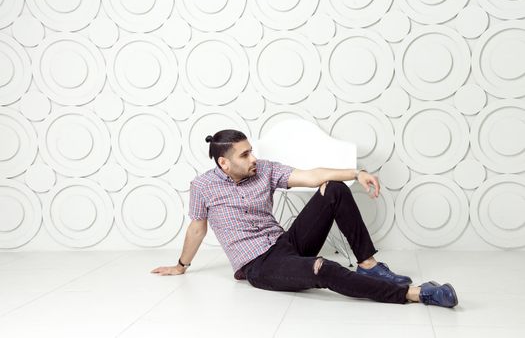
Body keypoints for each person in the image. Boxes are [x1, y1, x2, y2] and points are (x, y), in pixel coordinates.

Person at [151, 129, 458, 308]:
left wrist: (356, 173)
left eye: (251, 151)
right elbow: (197, 228)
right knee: (323, 268)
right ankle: (415, 294)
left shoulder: (265, 170)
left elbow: (313, 176)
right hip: (259, 265)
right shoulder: (202, 186)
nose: (253, 158)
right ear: (224, 163)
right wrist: (181, 266)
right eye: (244, 155)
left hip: (286, 243)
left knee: (333, 189)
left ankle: (369, 267)